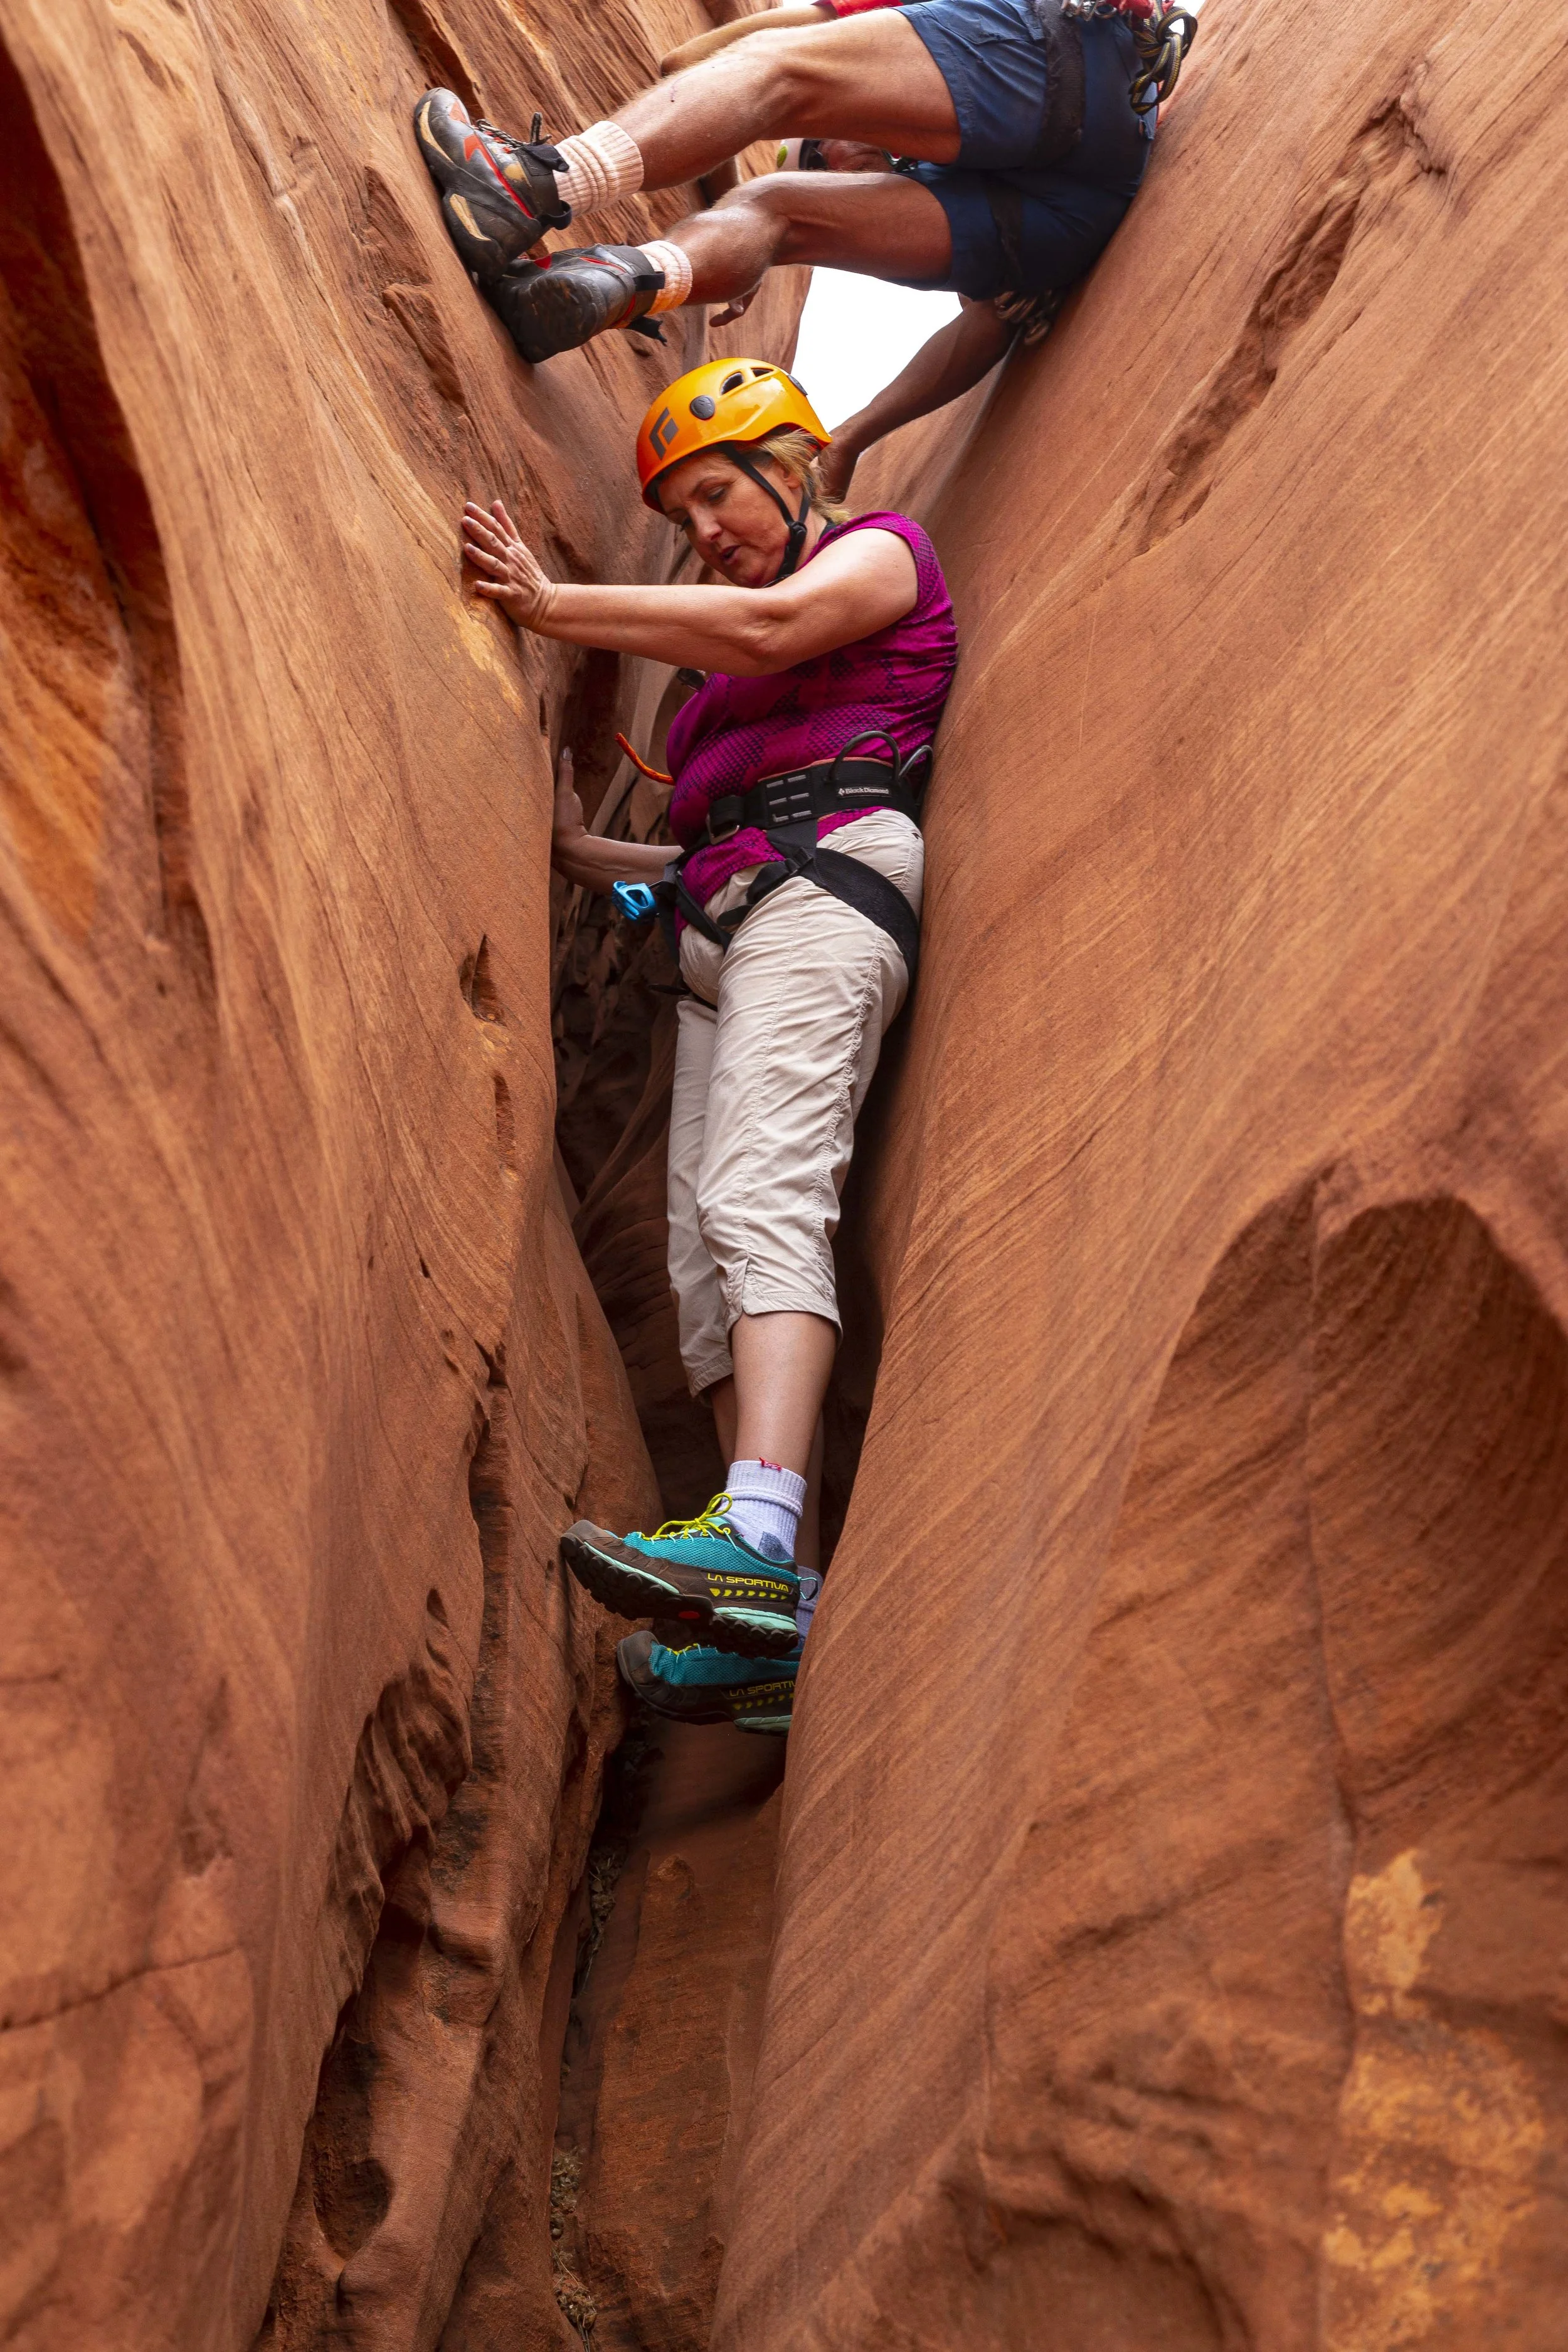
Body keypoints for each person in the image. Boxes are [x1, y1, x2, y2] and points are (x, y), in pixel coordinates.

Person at [460, 360, 956, 1732]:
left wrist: (552, 606)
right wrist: (578, 853)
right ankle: (770, 1612)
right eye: (681, 515)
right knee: (699, 1267)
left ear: (794, 469)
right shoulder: (711, 701)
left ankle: (749, 1533)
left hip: (825, 890)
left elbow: (773, 626)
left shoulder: (877, 557)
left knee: (759, 1196)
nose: (707, 530)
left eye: (719, 493)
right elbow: (686, 845)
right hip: (718, 928)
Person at [412, 0, 1195, 366]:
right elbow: (985, 311)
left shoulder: (902, 26)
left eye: (821, 152)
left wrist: (787, 95)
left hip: (1087, 47)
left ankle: (530, 183)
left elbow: (705, 67)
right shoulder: (944, 161)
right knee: (773, 213)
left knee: (777, 69)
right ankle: (621, 279)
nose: (834, 164)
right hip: (1082, 201)